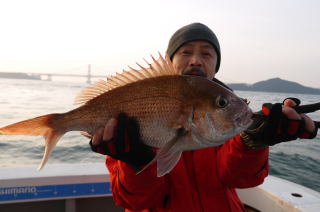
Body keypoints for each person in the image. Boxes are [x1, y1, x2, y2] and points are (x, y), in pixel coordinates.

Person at [89, 23, 317, 212]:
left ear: (215, 66)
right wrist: (136, 163)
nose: (196, 60)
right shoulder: (126, 118)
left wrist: (253, 142)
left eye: (206, 53)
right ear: (169, 62)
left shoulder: (227, 118)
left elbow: (239, 178)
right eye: (186, 52)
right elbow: (132, 201)